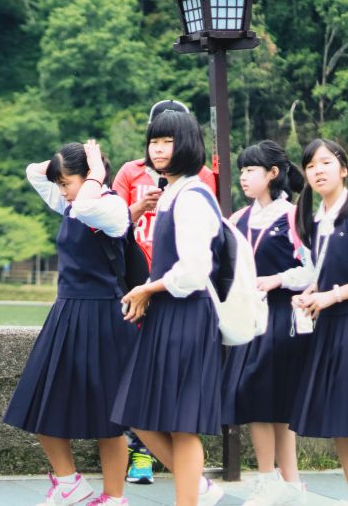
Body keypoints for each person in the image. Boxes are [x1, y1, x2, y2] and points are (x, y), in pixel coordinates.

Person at [4, 140, 134, 506]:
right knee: (39, 400)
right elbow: (33, 171)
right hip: (67, 313)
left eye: (67, 182)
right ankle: (69, 482)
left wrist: (95, 173)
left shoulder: (108, 206)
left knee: (109, 420)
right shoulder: (70, 203)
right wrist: (70, 161)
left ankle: (114, 497)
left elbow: (89, 204)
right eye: (59, 184)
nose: (62, 191)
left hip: (104, 315)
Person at [111, 110, 226, 506]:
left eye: (167, 141)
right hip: (167, 314)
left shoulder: (193, 195)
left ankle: (190, 498)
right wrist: (150, 293)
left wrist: (147, 289)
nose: (158, 149)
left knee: (182, 425)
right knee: (139, 416)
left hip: (188, 315)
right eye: (154, 142)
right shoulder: (173, 192)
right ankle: (199, 489)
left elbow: (195, 270)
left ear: (187, 144)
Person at [221, 141, 310, 506]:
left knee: (263, 396)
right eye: (241, 170)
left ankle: (270, 479)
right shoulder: (238, 219)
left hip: (281, 315)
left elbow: (312, 268)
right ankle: (287, 484)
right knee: (263, 398)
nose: (243, 177)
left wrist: (277, 280)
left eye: (251, 170)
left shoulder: (293, 216)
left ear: (273, 174)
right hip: (248, 317)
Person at [290, 139, 348, 484]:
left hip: (342, 321)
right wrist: (312, 291)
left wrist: (332, 296)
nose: (317, 171)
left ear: (343, 169)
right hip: (331, 329)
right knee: (341, 422)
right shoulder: (315, 219)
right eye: (311, 166)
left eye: (325, 163)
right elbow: (324, 269)